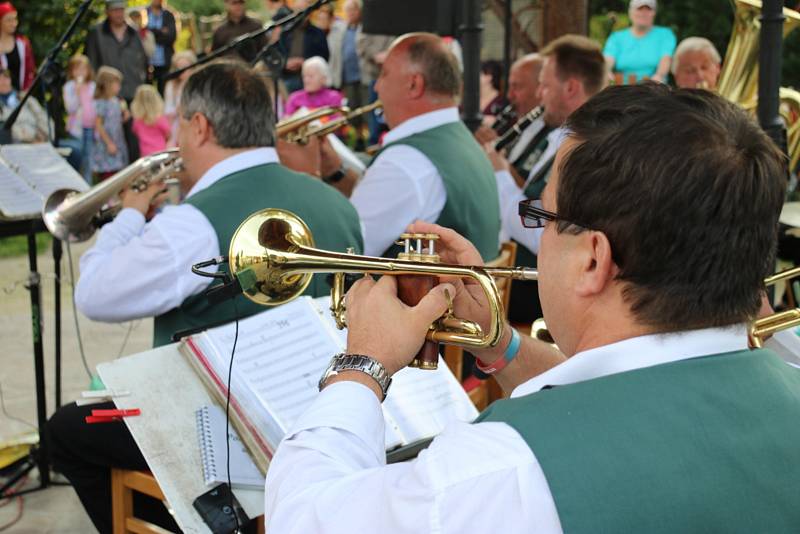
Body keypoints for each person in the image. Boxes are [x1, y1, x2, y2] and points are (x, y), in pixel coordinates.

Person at [264, 82, 800, 533]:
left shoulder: (503, 468)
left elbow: (303, 517)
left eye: (542, 216)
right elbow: (630, 398)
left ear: (593, 259)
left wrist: (363, 363)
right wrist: (498, 341)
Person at [48, 60, 364, 534]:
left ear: (199, 126)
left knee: (64, 432)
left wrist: (132, 215)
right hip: (322, 411)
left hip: (223, 432)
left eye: (178, 122)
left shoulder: (192, 222)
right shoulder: (337, 201)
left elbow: (95, 295)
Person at [289, 32, 500, 261]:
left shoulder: (406, 161)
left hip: (430, 297)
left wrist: (307, 175)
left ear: (414, 84)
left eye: (384, 74)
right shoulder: (460, 139)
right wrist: (336, 171)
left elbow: (339, 253)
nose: (377, 87)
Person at [485, 35, 606, 325]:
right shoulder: (562, 135)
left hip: (539, 288)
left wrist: (499, 174)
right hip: (532, 276)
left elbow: (542, 225)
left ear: (571, 87)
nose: (540, 94)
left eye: (546, 85)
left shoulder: (586, 146)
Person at [475, 53, 546, 188]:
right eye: (510, 87)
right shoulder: (525, 124)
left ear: (540, 89)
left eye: (517, 87)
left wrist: (498, 156)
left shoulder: (552, 134)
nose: (509, 95)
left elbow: (529, 196)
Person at [85, 0, 148, 103]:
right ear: (107, 12)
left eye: (121, 10)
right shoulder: (97, 33)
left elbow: (143, 60)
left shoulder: (134, 32)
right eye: (115, 10)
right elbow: (91, 62)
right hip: (107, 93)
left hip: (133, 91)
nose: (119, 14)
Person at [603, 0, 676, 83]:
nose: (644, 13)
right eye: (639, 9)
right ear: (630, 12)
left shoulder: (665, 34)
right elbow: (608, 59)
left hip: (653, 89)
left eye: (648, 9)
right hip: (623, 90)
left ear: (654, 13)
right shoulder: (616, 37)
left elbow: (666, 59)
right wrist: (606, 71)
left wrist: (659, 76)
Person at [327, 0, 368, 146]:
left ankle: (367, 135)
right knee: (352, 108)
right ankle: (358, 137)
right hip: (347, 76)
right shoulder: (340, 30)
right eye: (348, 10)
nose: (351, 13)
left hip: (364, 76)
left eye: (353, 10)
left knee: (366, 107)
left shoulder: (365, 28)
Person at [277, 0, 329, 93]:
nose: (302, 14)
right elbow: (277, 53)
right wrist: (285, 62)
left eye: (305, 10)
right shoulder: (285, 32)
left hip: (309, 80)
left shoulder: (317, 33)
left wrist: (305, 62)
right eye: (298, 10)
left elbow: (324, 56)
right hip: (287, 78)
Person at [63, 54, 96, 183]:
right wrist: (77, 93)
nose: (81, 72)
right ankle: (75, 183)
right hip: (76, 128)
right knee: (78, 155)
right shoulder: (69, 87)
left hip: (91, 127)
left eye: (84, 69)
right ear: (72, 71)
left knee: (89, 158)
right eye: (77, 69)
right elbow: (70, 108)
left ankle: (87, 184)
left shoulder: (92, 86)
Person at [92, 66, 129, 181]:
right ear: (107, 84)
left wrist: (125, 115)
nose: (119, 87)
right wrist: (108, 143)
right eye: (116, 84)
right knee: (108, 171)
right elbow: (98, 124)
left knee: (119, 169)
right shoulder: (101, 103)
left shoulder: (116, 101)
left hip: (117, 139)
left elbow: (116, 120)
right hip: (107, 142)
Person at [212, 0, 267, 64]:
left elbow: (265, 51)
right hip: (229, 70)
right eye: (234, 3)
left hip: (252, 70)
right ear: (226, 4)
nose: (238, 6)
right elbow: (215, 57)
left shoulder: (256, 26)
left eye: (241, 2)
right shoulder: (220, 31)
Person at [163, 49, 196, 146]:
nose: (182, 71)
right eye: (179, 67)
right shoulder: (171, 85)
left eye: (185, 67)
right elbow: (168, 109)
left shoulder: (195, 85)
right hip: (173, 125)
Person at [0, 2, 34, 92]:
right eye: (9, 20)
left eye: (15, 19)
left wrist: (26, 91)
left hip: (21, 96)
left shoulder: (23, 44)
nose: (14, 23)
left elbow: (30, 70)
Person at [146, 0, 177, 95]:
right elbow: (141, 35)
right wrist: (161, 31)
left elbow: (171, 37)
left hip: (164, 61)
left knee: (163, 90)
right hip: (147, 62)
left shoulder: (168, 15)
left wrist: (151, 33)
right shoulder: (144, 13)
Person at [130, 84, 170, 156]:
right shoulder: (160, 119)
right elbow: (168, 134)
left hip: (145, 153)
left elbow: (135, 132)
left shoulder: (137, 121)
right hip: (161, 151)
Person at [479, 59, 506, 124]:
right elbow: (454, 115)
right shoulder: (470, 99)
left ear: (489, 76)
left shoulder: (501, 101)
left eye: (479, 74)